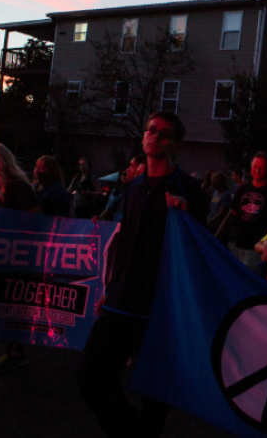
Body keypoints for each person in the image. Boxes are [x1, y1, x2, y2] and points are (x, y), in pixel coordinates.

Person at [76, 111, 207, 438]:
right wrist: (111, 286)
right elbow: (126, 240)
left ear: (175, 144)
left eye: (164, 133)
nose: (155, 136)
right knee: (90, 374)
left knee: (154, 392)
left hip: (160, 307)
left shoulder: (188, 188)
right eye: (151, 130)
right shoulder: (133, 187)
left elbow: (201, 249)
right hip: (121, 301)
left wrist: (186, 215)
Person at [0, 143, 41, 372]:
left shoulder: (20, 189)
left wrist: (2, 216)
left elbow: (35, 223)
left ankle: (15, 352)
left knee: (13, 307)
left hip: (16, 261)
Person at [217, 152, 267, 272]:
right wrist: (216, 237)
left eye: (261, 167)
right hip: (239, 244)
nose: (257, 170)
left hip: (258, 248)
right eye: (255, 166)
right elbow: (231, 215)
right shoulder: (243, 190)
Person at [95, 154, 146, 223]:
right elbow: (110, 207)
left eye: (132, 166)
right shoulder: (126, 191)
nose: (127, 170)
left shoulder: (140, 195)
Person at [207, 172, 232, 246]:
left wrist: (209, 221)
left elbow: (222, 212)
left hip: (220, 226)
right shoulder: (215, 193)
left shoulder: (226, 194)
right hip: (212, 225)